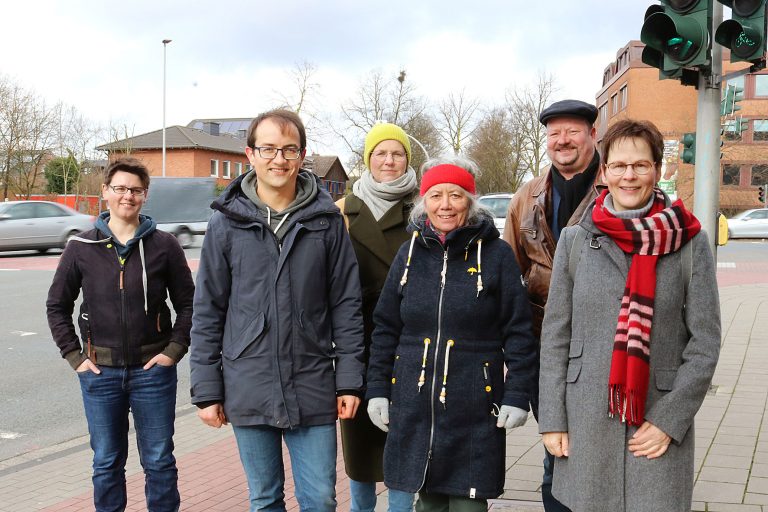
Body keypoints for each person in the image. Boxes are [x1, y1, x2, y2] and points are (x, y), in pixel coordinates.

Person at [538, 119, 721, 512]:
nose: (629, 176)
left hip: (657, 422)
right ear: (604, 172)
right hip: (585, 419)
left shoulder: (690, 242)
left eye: (640, 165)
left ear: (657, 169)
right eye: (619, 166)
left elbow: (705, 343)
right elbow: (555, 335)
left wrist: (671, 420)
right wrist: (552, 418)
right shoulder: (576, 240)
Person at [189, 108, 365, 511]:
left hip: (313, 381)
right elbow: (208, 310)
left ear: (302, 156)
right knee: (265, 499)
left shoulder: (326, 221)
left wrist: (350, 380)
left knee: (320, 499)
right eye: (268, 149)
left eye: (289, 150)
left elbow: (346, 303)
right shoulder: (226, 223)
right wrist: (206, 390)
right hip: (247, 381)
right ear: (250, 154)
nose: (278, 159)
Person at [367, 156, 537, 511]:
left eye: (456, 195)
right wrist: (378, 389)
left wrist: (518, 394)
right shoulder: (409, 253)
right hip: (416, 403)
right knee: (427, 502)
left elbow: (519, 332)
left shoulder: (497, 255)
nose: (445, 205)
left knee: (468, 505)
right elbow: (386, 327)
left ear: (470, 202)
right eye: (435, 195)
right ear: (423, 202)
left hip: (475, 403)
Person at [46, 157, 194, 512]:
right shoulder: (81, 247)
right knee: (106, 463)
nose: (128, 196)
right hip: (100, 375)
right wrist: (75, 358)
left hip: (153, 374)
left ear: (145, 196)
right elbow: (56, 306)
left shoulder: (165, 246)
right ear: (105, 193)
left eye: (136, 190)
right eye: (120, 188)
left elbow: (190, 305)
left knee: (159, 461)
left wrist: (173, 352)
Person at [503, 99, 601, 512]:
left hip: (604, 345)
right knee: (557, 448)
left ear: (593, 134)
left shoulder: (616, 186)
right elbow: (508, 278)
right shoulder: (526, 197)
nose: (562, 140)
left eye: (572, 131)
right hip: (547, 347)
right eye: (554, 133)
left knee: (602, 447)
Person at [336, 123, 417, 512]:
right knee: (361, 453)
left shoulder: (422, 210)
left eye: (397, 153)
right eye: (380, 153)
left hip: (411, 345)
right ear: (367, 160)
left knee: (403, 447)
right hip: (356, 345)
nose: (389, 160)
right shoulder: (342, 213)